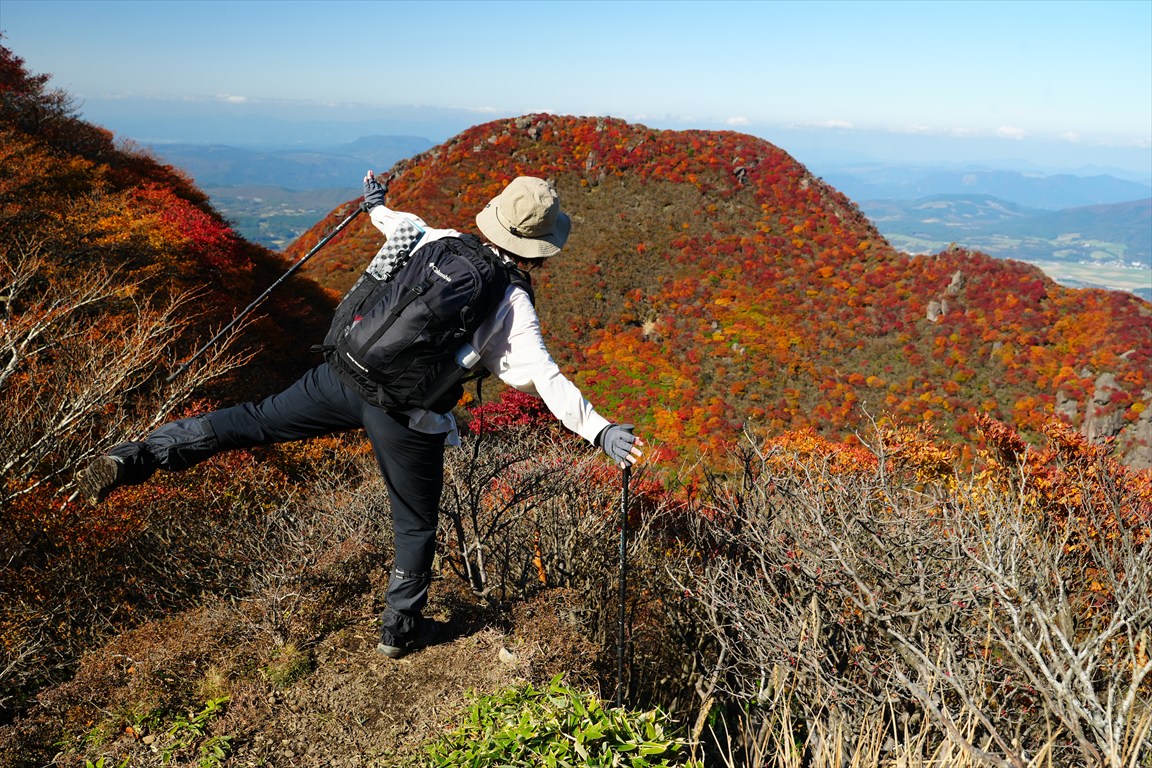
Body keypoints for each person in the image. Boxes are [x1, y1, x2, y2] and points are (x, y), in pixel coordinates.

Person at [78, 173, 644, 659]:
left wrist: (375, 203)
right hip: (404, 414)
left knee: (254, 419)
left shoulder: (437, 239)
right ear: (538, 247)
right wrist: (599, 429)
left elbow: (395, 225)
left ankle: (140, 455)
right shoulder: (510, 301)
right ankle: (400, 629)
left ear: (494, 217)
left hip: (342, 375)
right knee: (415, 524)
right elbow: (542, 376)